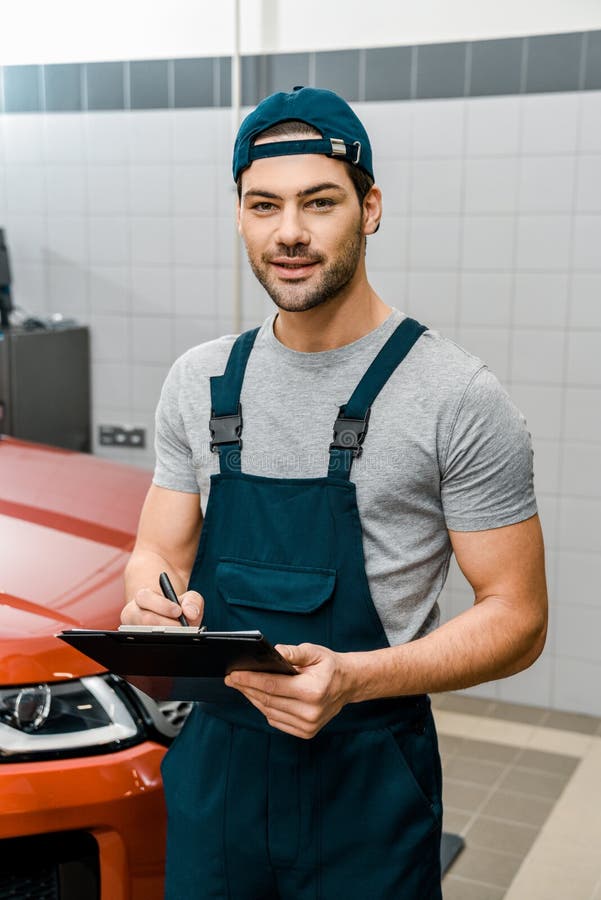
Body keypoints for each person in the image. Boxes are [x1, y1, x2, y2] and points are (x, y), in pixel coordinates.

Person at [122, 86, 548, 899]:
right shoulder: (198, 381)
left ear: (370, 208)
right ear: (240, 214)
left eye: (319, 203)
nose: (289, 233)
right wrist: (149, 608)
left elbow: (517, 618)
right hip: (217, 773)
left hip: (366, 779)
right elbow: (155, 553)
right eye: (263, 205)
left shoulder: (455, 396)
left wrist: (354, 677)